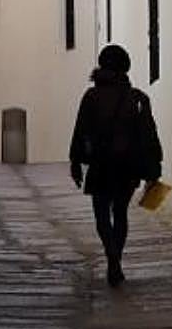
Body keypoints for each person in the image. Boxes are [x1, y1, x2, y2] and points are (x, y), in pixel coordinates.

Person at [69, 45, 163, 287]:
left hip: (101, 164)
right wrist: (154, 169)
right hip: (127, 166)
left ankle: (111, 255)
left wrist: (76, 162)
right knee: (120, 212)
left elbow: (81, 130)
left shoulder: (91, 97)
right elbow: (149, 135)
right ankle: (116, 259)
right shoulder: (138, 99)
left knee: (101, 215)